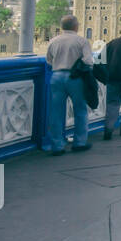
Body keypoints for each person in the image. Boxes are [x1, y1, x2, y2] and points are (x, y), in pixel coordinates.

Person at [45, 15, 93, 154]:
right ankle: (79, 142)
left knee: (56, 112)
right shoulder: (81, 41)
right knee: (80, 110)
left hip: (56, 76)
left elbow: (49, 60)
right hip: (75, 77)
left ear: (62, 27)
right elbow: (88, 61)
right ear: (76, 26)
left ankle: (57, 145)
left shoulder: (53, 41)